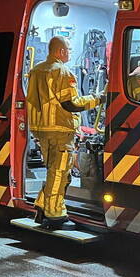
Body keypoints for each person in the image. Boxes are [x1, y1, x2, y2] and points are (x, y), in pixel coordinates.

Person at [25, 36, 103, 230]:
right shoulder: (62, 71)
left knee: (53, 171)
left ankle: (42, 205)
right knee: (60, 173)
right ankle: (55, 214)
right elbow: (72, 103)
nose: (70, 52)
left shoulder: (36, 70)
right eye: (69, 49)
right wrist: (98, 99)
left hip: (42, 130)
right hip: (60, 130)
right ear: (61, 51)